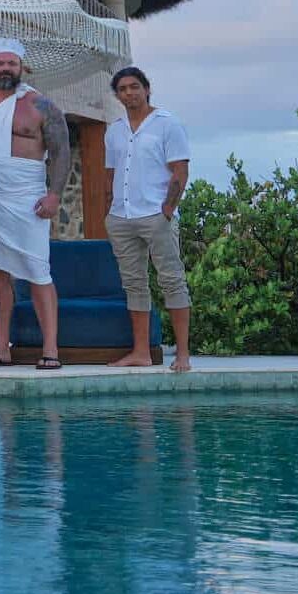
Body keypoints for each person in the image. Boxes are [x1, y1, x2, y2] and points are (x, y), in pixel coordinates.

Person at [0, 39, 68, 369]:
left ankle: (50, 348)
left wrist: (54, 194)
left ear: (22, 66)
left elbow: (61, 151)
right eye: (0, 64)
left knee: (39, 271)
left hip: (29, 199)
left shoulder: (41, 106)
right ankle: (0, 348)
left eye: (11, 63)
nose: (6, 69)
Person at [103, 66, 192, 371]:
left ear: (147, 88)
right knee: (134, 284)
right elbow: (111, 173)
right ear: (117, 95)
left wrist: (168, 208)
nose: (129, 93)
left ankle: (182, 355)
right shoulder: (113, 129)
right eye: (123, 89)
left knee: (172, 280)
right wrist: (109, 210)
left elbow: (180, 171)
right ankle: (140, 352)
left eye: (134, 87)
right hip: (121, 216)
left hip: (156, 215)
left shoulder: (167, 124)